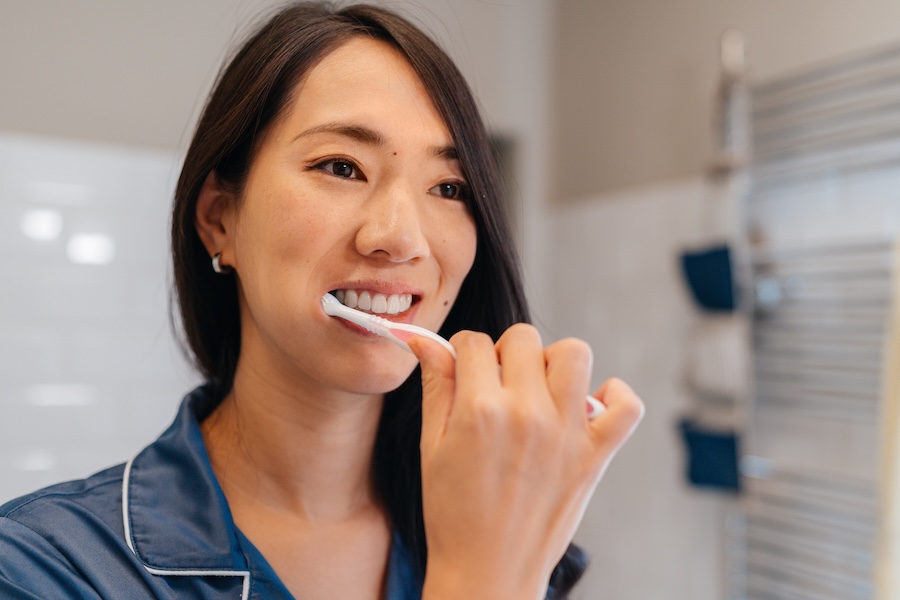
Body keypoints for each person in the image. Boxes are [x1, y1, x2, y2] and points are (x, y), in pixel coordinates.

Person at [0, 3, 644, 599]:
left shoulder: (510, 531)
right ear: (221, 219)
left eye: (449, 186)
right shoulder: (40, 567)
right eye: (341, 167)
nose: (400, 238)